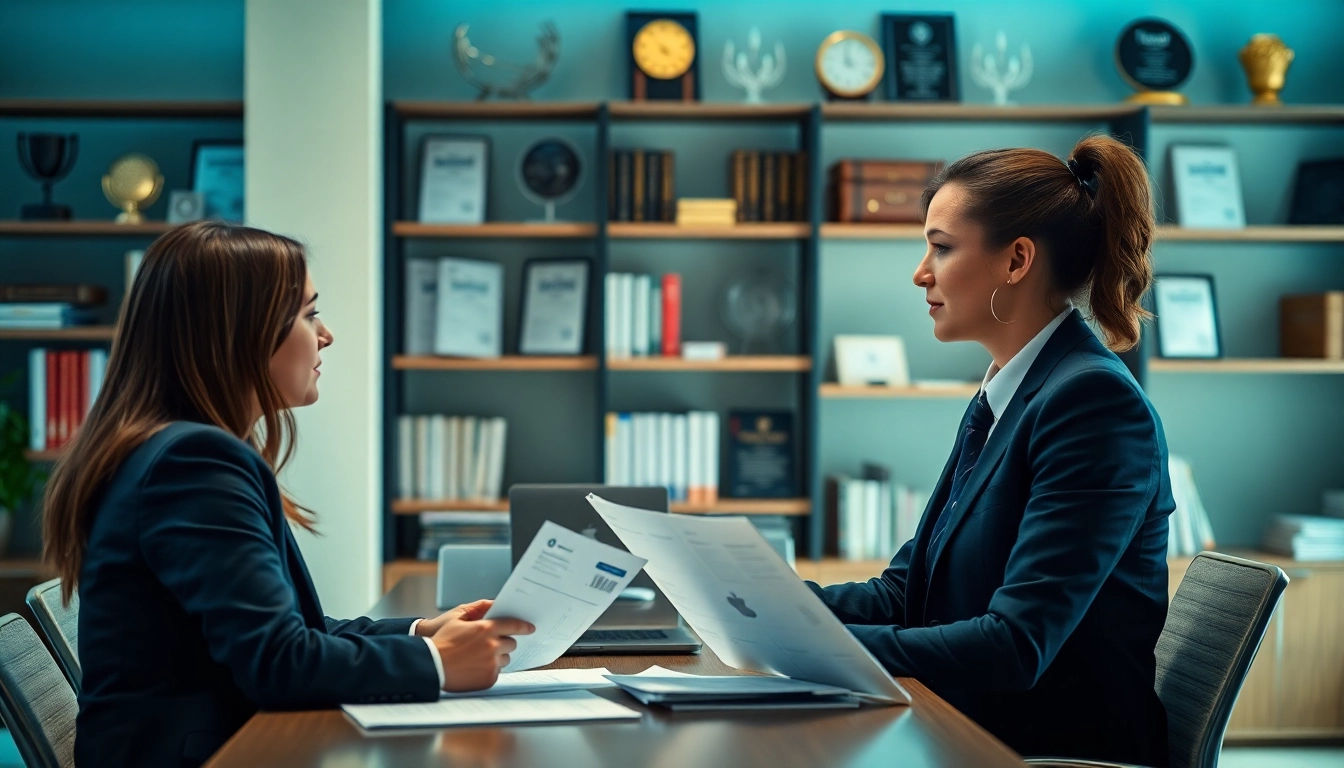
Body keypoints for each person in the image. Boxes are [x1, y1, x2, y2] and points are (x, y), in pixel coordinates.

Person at [42, 221, 534, 767]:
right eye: (308, 313)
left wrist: (422, 632)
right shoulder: (192, 463)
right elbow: (278, 663)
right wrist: (436, 665)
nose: (325, 335)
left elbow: (289, 632)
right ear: (238, 331)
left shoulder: (175, 451)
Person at [809, 135, 1173, 765]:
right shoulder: (1010, 393)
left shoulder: (1092, 405)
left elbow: (1015, 645)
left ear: (1016, 261)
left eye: (941, 247)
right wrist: (772, 605)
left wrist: (815, 645)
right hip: (972, 725)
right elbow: (908, 593)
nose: (920, 272)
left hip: (1049, 749)